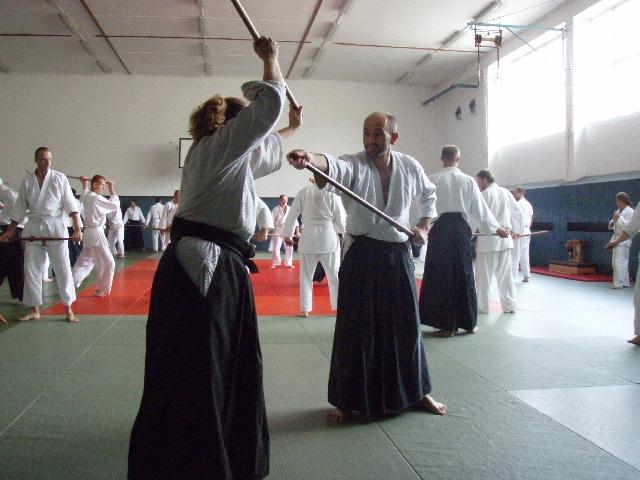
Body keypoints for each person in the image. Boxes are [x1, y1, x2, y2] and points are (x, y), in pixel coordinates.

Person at [128, 36, 302, 480]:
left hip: (205, 263)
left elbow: (266, 149)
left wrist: (291, 129)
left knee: (207, 363)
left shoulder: (223, 158)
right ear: (234, 127)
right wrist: (270, 59)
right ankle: (200, 459)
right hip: (205, 264)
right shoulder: (218, 148)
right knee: (203, 364)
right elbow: (268, 107)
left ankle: (209, 448)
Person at [287, 111, 446, 424]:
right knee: (355, 329)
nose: (370, 140)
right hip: (362, 254)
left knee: (407, 326)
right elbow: (333, 165)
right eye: (366, 133)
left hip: (397, 253)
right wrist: (310, 158)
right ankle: (348, 400)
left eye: (377, 133)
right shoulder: (355, 164)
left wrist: (424, 227)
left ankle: (417, 391)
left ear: (393, 137)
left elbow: (429, 195)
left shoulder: (410, 166)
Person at [419, 146, 507, 337]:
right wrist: (496, 228)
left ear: (442, 158)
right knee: (464, 274)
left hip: (440, 229)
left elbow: (423, 207)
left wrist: (417, 228)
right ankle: (469, 323)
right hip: (460, 230)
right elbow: (480, 209)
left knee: (441, 275)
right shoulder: (468, 180)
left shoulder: (432, 179)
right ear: (458, 159)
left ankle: (446, 326)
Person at [0, 147, 82, 322]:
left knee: (63, 269)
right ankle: (34, 309)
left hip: (55, 226)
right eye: (43, 159)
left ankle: (68, 309)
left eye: (49, 159)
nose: (47, 162)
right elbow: (20, 208)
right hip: (34, 227)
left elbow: (70, 204)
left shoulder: (59, 178)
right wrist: (9, 232)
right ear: (36, 160)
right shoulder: (28, 180)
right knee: (31, 270)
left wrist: (77, 228)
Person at [283, 178, 346, 317]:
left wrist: (288, 234)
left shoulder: (303, 192)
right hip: (328, 239)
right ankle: (339, 308)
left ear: (313, 178)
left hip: (309, 239)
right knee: (334, 276)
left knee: (306, 277)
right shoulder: (333, 194)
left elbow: (292, 215)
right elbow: (341, 220)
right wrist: (346, 235)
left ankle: (305, 309)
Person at [474, 169, 522, 315]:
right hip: (505, 239)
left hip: (489, 239)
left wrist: (472, 231)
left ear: (485, 180)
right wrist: (517, 230)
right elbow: (517, 213)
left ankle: (482, 307)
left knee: (484, 277)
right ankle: (510, 305)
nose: (478, 184)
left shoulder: (484, 194)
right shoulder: (506, 193)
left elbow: (478, 216)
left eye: (479, 181)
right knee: (505, 276)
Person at [72, 176, 120, 296]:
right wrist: (111, 188)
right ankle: (101, 290)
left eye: (104, 185)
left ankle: (70, 283)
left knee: (85, 262)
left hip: (88, 233)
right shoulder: (96, 198)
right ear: (94, 185)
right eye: (102, 184)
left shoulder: (87, 196)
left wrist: (84, 184)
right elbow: (114, 205)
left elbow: (84, 194)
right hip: (96, 234)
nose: (103, 187)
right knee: (109, 263)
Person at [606, 203, 640, 345]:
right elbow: (632, 227)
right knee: (639, 297)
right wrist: (615, 241)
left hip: (623, 241)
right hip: (622, 239)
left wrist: (615, 241)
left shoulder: (630, 210)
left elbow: (630, 227)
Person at [0, 178, 25, 303]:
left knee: (8, 264)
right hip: (16, 233)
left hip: (10, 232)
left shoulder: (11, 195)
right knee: (15, 265)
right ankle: (22, 294)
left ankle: (22, 294)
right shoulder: (15, 196)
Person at [608, 192, 634, 289]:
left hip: (624, 238)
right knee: (617, 261)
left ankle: (618, 283)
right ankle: (624, 282)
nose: (617, 203)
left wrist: (619, 218)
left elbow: (629, 226)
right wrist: (614, 220)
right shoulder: (618, 211)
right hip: (616, 236)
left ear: (621, 201)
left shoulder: (630, 211)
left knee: (620, 261)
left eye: (617, 201)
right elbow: (611, 224)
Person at [511, 186, 534, 282]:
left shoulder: (518, 204)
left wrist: (514, 232)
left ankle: (512, 278)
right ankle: (526, 276)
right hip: (527, 231)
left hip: (519, 232)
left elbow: (516, 220)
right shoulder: (528, 204)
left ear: (520, 193)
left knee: (515, 255)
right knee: (524, 254)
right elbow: (531, 218)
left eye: (515, 192)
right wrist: (527, 229)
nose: (513, 194)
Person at [270, 194, 294, 268]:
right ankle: (276, 263)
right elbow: (271, 220)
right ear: (280, 200)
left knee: (289, 247)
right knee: (276, 247)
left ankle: (288, 263)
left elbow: (294, 220)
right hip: (278, 229)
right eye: (283, 200)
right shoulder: (275, 209)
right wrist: (270, 229)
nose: (285, 201)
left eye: (286, 200)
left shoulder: (290, 209)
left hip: (288, 230)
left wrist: (297, 231)